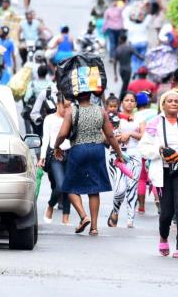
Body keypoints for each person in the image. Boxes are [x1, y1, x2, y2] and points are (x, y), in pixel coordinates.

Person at [139, 90, 178, 259]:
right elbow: (143, 148)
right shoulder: (154, 124)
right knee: (166, 212)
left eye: (176, 101)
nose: (174, 103)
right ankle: (163, 237)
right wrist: (159, 151)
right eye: (170, 101)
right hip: (163, 171)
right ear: (163, 104)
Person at [53, 91, 125, 236]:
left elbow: (62, 134)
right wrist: (119, 153)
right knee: (94, 188)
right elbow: (110, 135)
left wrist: (56, 146)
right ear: (90, 95)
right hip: (97, 150)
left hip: (78, 150)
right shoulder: (100, 111)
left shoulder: (71, 111)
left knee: (69, 186)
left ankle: (83, 216)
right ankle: (94, 227)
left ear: (76, 96)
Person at [108, 92, 145, 229]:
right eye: (126, 100)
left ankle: (130, 219)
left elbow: (143, 135)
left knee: (131, 187)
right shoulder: (114, 117)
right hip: (116, 155)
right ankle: (115, 211)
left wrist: (129, 133)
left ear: (135, 104)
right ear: (121, 102)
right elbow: (106, 136)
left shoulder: (140, 118)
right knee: (119, 189)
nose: (129, 102)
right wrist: (116, 138)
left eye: (132, 100)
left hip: (134, 155)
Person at [39, 93, 71, 225]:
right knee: (60, 186)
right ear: (58, 104)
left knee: (69, 186)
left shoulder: (70, 118)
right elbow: (45, 138)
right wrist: (42, 157)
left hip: (70, 153)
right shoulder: (49, 119)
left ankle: (66, 218)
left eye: (69, 107)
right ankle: (51, 205)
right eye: (65, 106)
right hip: (55, 154)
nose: (67, 110)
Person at [114, 34, 140, 99]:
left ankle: (123, 98)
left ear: (121, 40)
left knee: (125, 85)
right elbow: (138, 55)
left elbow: (114, 62)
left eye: (119, 39)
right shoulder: (130, 48)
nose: (118, 40)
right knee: (125, 86)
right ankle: (120, 99)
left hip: (121, 70)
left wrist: (115, 74)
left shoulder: (118, 49)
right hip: (128, 69)